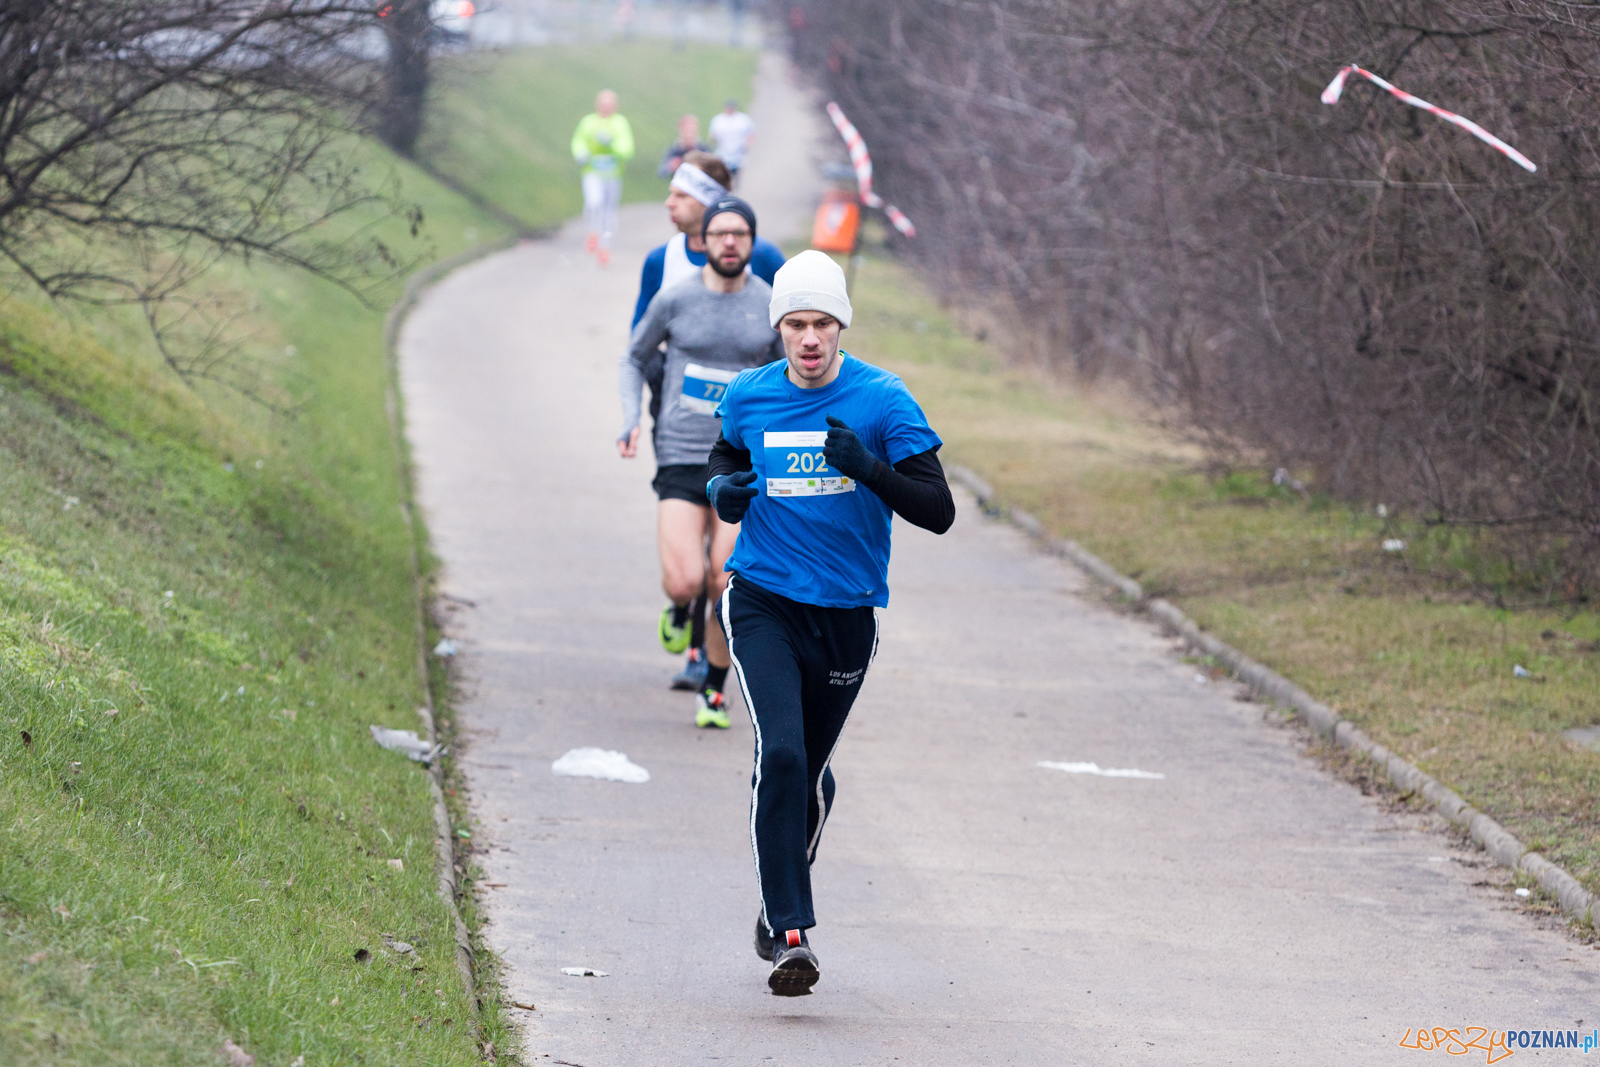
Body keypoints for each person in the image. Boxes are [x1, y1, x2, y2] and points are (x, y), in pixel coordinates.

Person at [705, 250, 955, 995]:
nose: (809, 338)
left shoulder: (883, 399)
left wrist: (870, 467)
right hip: (763, 599)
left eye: (822, 324)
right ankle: (790, 933)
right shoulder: (750, 395)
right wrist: (724, 491)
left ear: (840, 326)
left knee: (807, 772)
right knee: (780, 753)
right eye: (795, 324)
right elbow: (722, 458)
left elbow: (937, 511)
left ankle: (786, 876)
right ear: (778, 327)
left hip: (846, 615)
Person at [619, 196, 785, 729]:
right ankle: (676, 607)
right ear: (705, 241)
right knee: (687, 580)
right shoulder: (676, 298)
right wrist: (630, 417)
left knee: (726, 578)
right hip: (683, 454)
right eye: (720, 233)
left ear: (752, 243)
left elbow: (791, 381)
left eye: (740, 234)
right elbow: (633, 356)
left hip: (742, 459)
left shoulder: (771, 306)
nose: (730, 242)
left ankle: (713, 690)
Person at [570, 89, 635, 267]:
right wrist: (580, 153)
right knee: (593, 202)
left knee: (609, 210)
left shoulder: (620, 123)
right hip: (592, 172)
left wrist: (612, 145)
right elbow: (578, 142)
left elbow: (627, 148)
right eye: (603, 104)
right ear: (597, 104)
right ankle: (593, 232)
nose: (606, 107)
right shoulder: (588, 122)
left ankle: (605, 246)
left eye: (610, 104)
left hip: (612, 174)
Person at [708, 98, 757, 186]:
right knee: (724, 174)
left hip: (738, 153)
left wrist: (748, 145)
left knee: (736, 173)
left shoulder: (742, 119)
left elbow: (751, 133)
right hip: (723, 153)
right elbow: (712, 135)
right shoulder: (719, 120)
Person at [657, 114, 711, 179]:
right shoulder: (673, 149)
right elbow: (661, 172)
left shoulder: (704, 148)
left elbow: (714, 171)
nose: (688, 132)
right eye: (685, 128)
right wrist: (670, 167)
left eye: (691, 128)